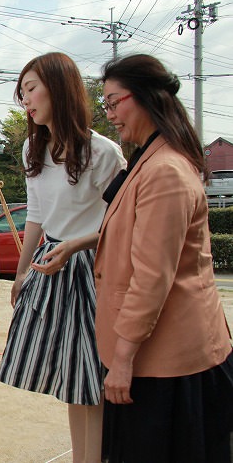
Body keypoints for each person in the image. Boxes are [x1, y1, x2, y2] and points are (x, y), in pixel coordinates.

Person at [96, 54, 232, 462]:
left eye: (113, 102)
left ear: (145, 98)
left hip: (167, 360)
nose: (110, 115)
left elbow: (152, 276)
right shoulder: (151, 159)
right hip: (156, 354)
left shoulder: (165, 170)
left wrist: (122, 359)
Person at [0, 52, 125, 463]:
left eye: (31, 88)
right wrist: (19, 273)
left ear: (60, 86)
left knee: (92, 380)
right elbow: (36, 215)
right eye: (22, 93)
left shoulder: (104, 152)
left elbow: (121, 226)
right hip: (51, 266)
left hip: (90, 270)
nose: (26, 100)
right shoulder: (34, 152)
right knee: (72, 381)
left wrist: (73, 247)